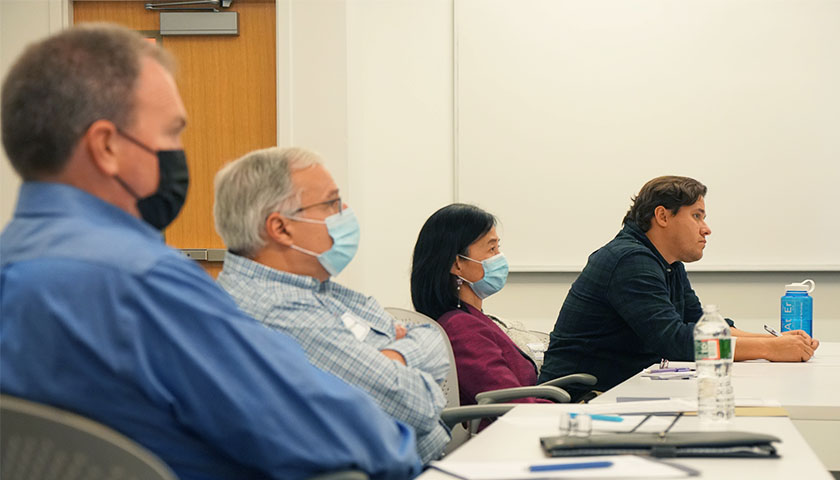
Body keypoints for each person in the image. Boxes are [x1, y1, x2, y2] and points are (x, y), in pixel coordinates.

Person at [0, 24, 421, 480]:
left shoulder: (16, 264)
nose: (179, 154)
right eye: (172, 133)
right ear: (106, 147)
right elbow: (353, 438)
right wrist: (400, 441)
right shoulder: (142, 283)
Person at [213, 147, 450, 463]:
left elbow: (433, 338)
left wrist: (394, 358)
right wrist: (400, 358)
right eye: (331, 203)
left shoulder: (318, 288)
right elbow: (415, 406)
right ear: (281, 228)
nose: (346, 211)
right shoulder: (275, 312)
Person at [539, 176, 820, 396]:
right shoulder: (630, 260)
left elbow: (700, 324)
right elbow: (676, 342)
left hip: (621, 389)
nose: (706, 228)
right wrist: (769, 351)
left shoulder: (667, 262)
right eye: (697, 215)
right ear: (662, 216)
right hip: (584, 398)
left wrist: (777, 342)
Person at [410, 204, 552, 412]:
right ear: (457, 264)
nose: (499, 257)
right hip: (506, 435)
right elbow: (508, 404)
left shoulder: (472, 318)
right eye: (491, 249)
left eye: (498, 247)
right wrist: (573, 412)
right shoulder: (461, 328)